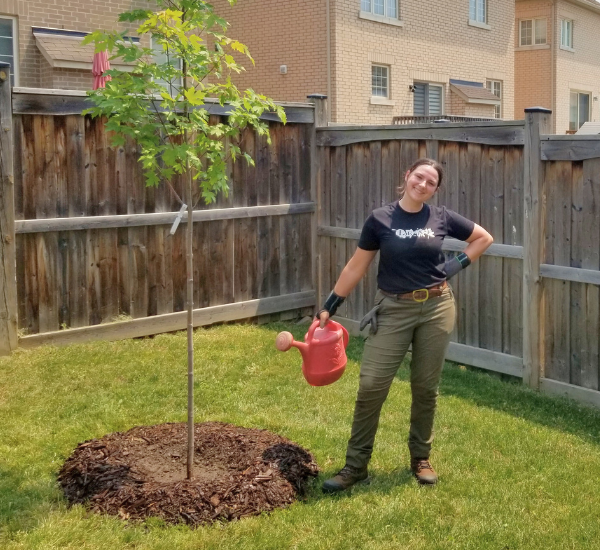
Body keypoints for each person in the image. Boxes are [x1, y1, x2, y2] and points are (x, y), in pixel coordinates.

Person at [317, 158, 493, 493]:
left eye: (431, 182)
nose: (423, 185)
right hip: (394, 309)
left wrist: (453, 266)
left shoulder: (440, 217)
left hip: (437, 307)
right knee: (371, 385)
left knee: (425, 387)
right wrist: (330, 304)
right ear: (406, 177)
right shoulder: (380, 219)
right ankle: (355, 465)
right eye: (419, 177)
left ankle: (420, 458)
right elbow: (356, 265)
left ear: (435, 189)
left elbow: (483, 238)